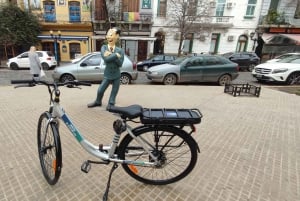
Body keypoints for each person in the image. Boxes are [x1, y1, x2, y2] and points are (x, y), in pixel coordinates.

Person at [87, 27, 124, 109]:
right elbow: (105, 59)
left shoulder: (120, 50)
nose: (109, 37)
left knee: (114, 91)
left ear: (117, 36)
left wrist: (110, 56)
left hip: (116, 74)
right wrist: (115, 55)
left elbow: (120, 64)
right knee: (100, 90)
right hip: (107, 74)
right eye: (108, 35)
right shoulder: (104, 47)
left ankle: (111, 103)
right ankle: (98, 101)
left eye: (111, 35)